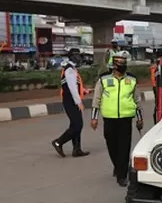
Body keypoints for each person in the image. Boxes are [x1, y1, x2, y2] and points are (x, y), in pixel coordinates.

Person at [91, 50, 144, 187]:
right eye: (120, 63)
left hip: (126, 119)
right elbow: (96, 100)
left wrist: (139, 118)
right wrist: (94, 118)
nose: (123, 65)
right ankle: (118, 166)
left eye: (124, 62)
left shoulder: (131, 80)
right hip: (109, 119)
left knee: (124, 147)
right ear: (114, 65)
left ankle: (122, 175)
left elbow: (137, 100)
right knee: (112, 146)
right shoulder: (104, 80)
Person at [51, 49, 89, 158]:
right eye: (76, 55)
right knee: (77, 125)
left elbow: (74, 86)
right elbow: (72, 88)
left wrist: (84, 91)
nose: (79, 57)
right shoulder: (69, 70)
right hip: (70, 101)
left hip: (72, 100)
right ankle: (58, 142)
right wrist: (79, 102)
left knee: (75, 125)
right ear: (71, 56)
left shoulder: (72, 69)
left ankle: (77, 149)